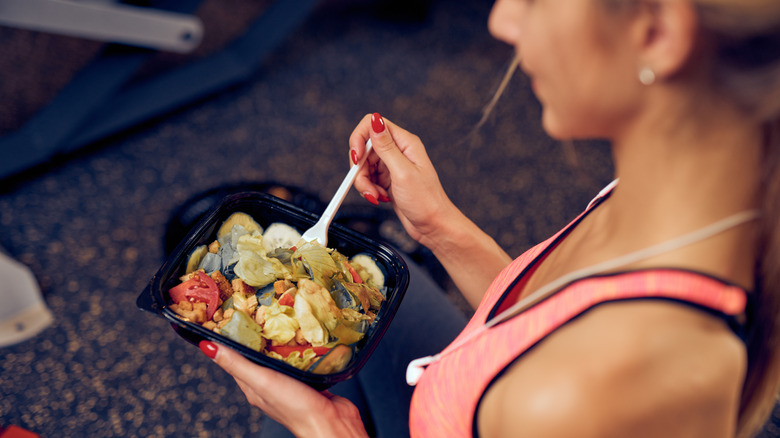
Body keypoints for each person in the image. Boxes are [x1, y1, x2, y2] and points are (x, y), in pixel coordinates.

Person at [197, 0, 780, 436]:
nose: (501, 21)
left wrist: (330, 433)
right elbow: (546, 323)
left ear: (656, 32)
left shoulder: (585, 395)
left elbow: (565, 365)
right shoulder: (677, 192)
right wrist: (438, 227)